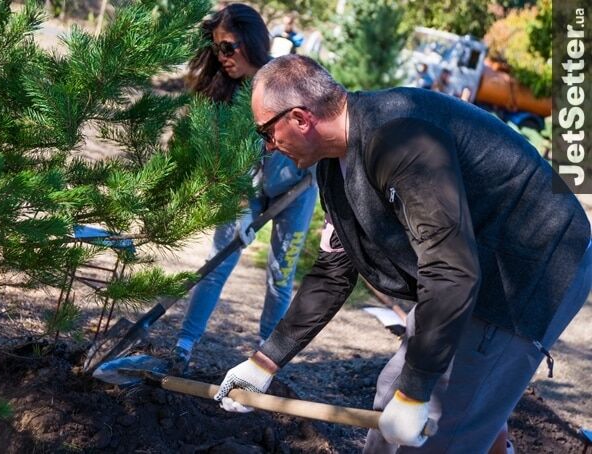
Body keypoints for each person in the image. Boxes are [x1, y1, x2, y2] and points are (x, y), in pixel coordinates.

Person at [213, 54, 591, 453]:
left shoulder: (398, 140)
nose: (268, 147)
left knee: (440, 428)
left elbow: (450, 271)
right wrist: (265, 361)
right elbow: (335, 269)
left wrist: (416, 393)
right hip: (470, 269)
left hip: (529, 269)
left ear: (300, 119)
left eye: (267, 133)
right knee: (399, 396)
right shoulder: (334, 165)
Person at [169, 6, 318, 375]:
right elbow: (223, 157)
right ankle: (183, 346)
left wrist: (315, 168)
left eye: (229, 47)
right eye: (217, 49)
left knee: (280, 276)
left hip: (297, 188)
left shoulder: (284, 79)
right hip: (245, 189)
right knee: (217, 262)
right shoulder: (223, 92)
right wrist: (237, 198)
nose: (222, 58)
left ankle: (268, 359)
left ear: (250, 41)